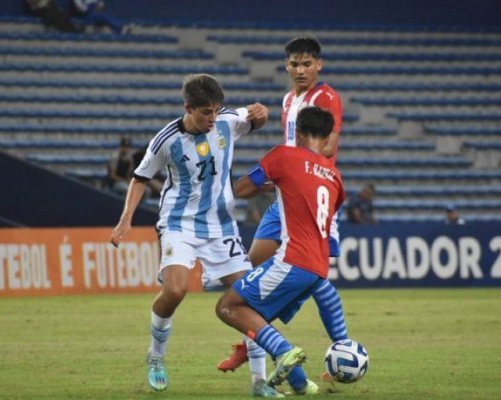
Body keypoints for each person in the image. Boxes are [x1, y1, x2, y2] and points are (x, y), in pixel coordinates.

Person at [108, 74, 276, 396]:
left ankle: (259, 381)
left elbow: (257, 119)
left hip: (221, 225)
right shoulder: (166, 140)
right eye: (205, 113)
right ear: (188, 108)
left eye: (215, 110)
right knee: (175, 289)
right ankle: (156, 357)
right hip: (179, 223)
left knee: (248, 297)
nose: (213, 118)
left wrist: (262, 114)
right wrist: (125, 219)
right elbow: (140, 177)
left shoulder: (228, 120)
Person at [218, 36, 349, 387]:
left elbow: (329, 144)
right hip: (285, 193)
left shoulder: (326, 97)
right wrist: (283, 178)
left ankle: (342, 347)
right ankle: (255, 339)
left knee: (313, 275)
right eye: (294, 64)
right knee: (253, 268)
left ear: (318, 65)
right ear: (287, 66)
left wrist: (300, 172)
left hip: (309, 192)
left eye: (307, 64)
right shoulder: (288, 99)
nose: (300, 70)